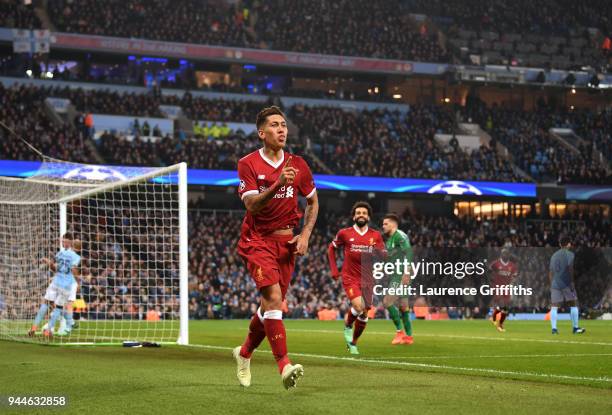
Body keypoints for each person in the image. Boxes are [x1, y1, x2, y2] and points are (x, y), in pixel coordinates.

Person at [233, 106, 318, 390]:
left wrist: (305, 234)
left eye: (283, 125)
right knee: (273, 297)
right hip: (257, 240)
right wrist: (278, 183)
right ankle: (284, 365)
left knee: (270, 306)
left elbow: (313, 202)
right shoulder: (248, 163)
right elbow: (251, 205)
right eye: (274, 125)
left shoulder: (298, 163)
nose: (282, 129)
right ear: (262, 133)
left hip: (286, 243)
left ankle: (244, 353)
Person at [327, 201, 385, 355]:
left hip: (367, 279)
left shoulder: (376, 235)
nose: (361, 215)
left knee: (365, 313)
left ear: (368, 217)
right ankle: (347, 325)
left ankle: (353, 342)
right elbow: (331, 249)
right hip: (350, 277)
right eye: (358, 213)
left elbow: (383, 255)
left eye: (364, 213)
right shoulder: (344, 233)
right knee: (359, 306)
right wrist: (334, 270)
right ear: (354, 217)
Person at [28, 233, 81, 338]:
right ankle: (47, 331)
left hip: (56, 282)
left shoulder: (60, 254)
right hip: (65, 285)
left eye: (64, 241)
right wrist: (77, 282)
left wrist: (49, 263)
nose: (63, 243)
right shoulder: (76, 257)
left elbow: (53, 267)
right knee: (58, 308)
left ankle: (34, 327)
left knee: (46, 304)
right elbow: (73, 269)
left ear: (70, 242)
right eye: (62, 241)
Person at [381, 213, 414, 345]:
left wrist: (407, 272)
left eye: (386, 223)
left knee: (387, 301)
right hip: (398, 272)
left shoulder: (399, 235)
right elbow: (392, 257)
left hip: (400, 274)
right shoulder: (391, 239)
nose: (383, 226)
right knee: (403, 307)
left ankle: (400, 332)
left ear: (393, 224)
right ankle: (409, 337)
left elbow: (409, 251)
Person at [549, 235, 585, 335]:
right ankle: (575, 328)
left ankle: (554, 329)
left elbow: (550, 272)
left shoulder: (554, 255)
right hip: (566, 282)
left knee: (554, 306)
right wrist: (572, 283)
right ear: (568, 244)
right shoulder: (570, 255)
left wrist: (551, 284)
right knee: (573, 305)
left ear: (560, 244)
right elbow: (570, 270)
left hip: (555, 283)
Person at [488, 248, 518, 333]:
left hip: (506, 288)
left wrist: (512, 283)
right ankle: (499, 325)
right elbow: (489, 271)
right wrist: (491, 282)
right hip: (497, 287)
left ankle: (494, 318)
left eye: (507, 253)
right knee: (502, 305)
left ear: (509, 255)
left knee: (505, 308)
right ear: (501, 254)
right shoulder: (496, 263)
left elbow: (514, 277)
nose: (505, 255)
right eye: (504, 253)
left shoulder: (512, 266)